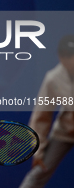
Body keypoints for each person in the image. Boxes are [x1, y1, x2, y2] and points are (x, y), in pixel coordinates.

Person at [19, 35, 74, 188]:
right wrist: (39, 150)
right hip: (65, 131)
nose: (70, 60)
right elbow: (41, 116)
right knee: (39, 171)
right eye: (66, 55)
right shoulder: (53, 79)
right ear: (60, 57)